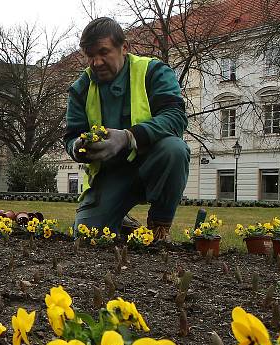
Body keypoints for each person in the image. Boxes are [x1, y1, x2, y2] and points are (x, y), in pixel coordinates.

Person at [64, 17, 189, 242]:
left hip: (151, 162)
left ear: (124, 47)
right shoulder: (80, 89)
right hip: (109, 174)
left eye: (104, 52)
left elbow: (175, 117)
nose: (97, 62)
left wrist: (128, 137)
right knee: (85, 239)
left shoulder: (152, 71)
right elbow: (71, 136)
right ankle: (122, 222)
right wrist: (78, 147)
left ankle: (159, 228)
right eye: (90, 55)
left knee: (175, 149)